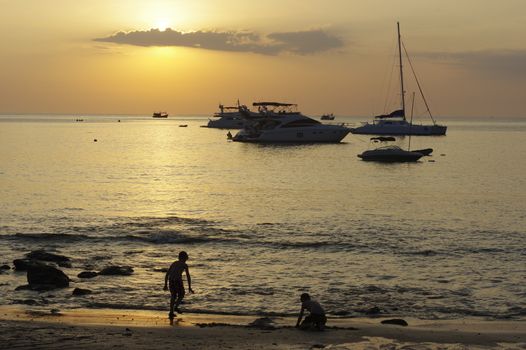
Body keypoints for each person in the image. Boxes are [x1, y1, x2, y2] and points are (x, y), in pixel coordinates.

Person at [163, 251, 194, 320]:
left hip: (171, 280)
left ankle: (171, 312)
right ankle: (175, 307)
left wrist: (165, 284)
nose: (187, 258)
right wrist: (189, 287)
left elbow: (167, 274)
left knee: (173, 296)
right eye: (186, 256)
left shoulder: (174, 263)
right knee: (182, 294)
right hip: (177, 281)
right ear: (184, 258)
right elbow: (188, 276)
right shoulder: (184, 265)